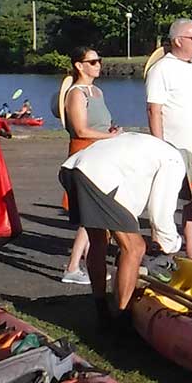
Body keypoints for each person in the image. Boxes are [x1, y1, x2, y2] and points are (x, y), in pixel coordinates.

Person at [59, 133, 192, 330]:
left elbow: (129, 196)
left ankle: (102, 310)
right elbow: (161, 212)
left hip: (73, 168)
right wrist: (171, 244)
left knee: (98, 240)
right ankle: (123, 319)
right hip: (98, 175)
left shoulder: (149, 147)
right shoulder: (173, 161)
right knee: (135, 248)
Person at [145, 18, 192, 260]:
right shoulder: (161, 69)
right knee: (164, 202)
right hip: (174, 149)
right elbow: (153, 110)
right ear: (178, 40)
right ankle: (161, 247)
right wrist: (159, 146)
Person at [56, 47, 120, 284]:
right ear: (79, 65)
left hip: (101, 154)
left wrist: (112, 132)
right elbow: (81, 129)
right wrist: (110, 137)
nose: (97, 65)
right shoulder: (76, 93)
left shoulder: (97, 92)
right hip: (84, 156)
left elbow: (101, 124)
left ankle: (83, 265)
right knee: (91, 215)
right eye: (92, 62)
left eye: (99, 61)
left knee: (94, 216)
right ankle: (75, 267)